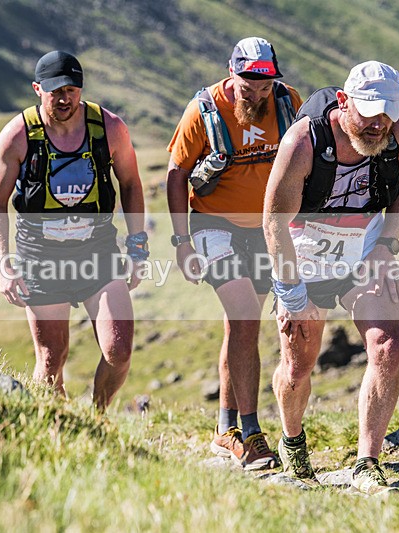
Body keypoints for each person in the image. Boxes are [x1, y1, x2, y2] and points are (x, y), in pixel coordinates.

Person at [263, 61, 399, 492]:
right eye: (368, 112)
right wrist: (291, 295)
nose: (378, 124)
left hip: (364, 251)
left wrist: (387, 245)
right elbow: (274, 224)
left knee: (387, 346)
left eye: (387, 112)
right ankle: (292, 440)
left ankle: (367, 462)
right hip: (303, 258)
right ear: (343, 102)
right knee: (297, 366)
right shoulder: (303, 142)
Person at [166, 37, 302, 470]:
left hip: (266, 229)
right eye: (248, 87)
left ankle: (224, 430)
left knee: (239, 327)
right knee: (244, 319)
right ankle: (252, 434)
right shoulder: (203, 110)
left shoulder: (287, 102)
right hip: (214, 225)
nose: (257, 94)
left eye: (264, 86)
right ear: (231, 73)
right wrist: (181, 242)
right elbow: (176, 173)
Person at [0, 50, 147, 409]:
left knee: (119, 351)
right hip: (40, 256)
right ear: (37, 89)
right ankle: (57, 425)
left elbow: (131, 184)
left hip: (98, 251)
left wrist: (137, 248)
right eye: (55, 91)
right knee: (50, 359)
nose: (64, 99)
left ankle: (97, 417)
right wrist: (2, 263)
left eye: (71, 90)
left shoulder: (109, 128)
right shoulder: (18, 135)